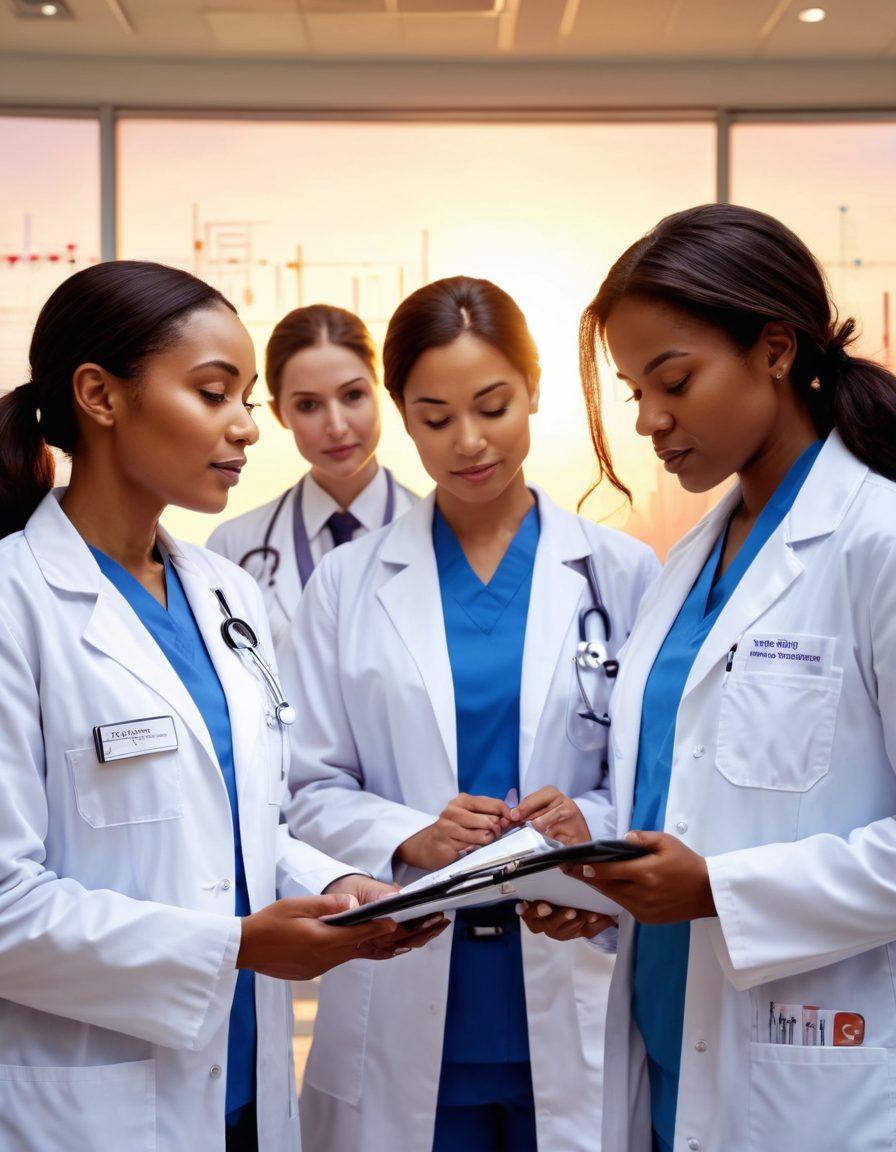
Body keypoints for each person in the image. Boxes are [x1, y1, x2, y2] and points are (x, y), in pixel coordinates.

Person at [0, 262, 445, 1152]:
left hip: (241, 1092)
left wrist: (332, 888)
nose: (248, 426)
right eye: (214, 393)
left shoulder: (224, 592)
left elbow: (243, 824)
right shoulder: (16, 602)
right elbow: (7, 905)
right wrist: (235, 947)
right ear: (100, 395)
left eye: (245, 396)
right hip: (90, 1107)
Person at [279, 275, 658, 1152]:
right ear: (401, 418)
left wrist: (585, 820)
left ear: (535, 390)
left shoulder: (623, 571)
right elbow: (305, 786)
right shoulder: (347, 584)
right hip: (404, 993)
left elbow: (649, 777)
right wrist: (414, 835)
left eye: (493, 405)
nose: (469, 441)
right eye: (434, 416)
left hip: (568, 977)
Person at [559, 203, 896, 1152]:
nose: (650, 422)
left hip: (814, 1066)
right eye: (633, 391)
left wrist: (720, 890)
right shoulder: (687, 564)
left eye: (674, 380)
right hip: (672, 1044)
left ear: (776, 349)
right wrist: (587, 864)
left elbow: (724, 860)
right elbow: (689, 796)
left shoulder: (877, 540)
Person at [207, 304, 418, 650]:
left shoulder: (440, 534)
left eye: (353, 395)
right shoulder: (233, 548)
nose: (336, 427)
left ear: (378, 390)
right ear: (279, 414)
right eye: (308, 405)